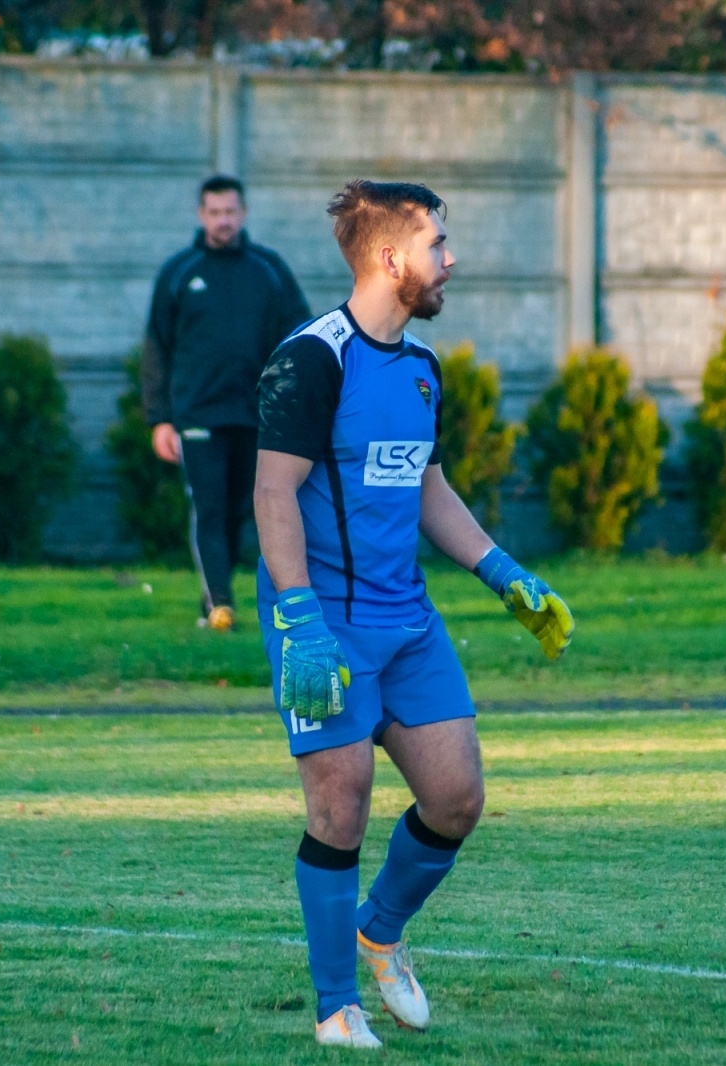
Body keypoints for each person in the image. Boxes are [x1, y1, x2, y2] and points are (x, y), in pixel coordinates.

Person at [252, 180, 574, 1049]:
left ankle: (379, 931)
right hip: (322, 620)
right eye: (438, 242)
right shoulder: (311, 359)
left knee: (457, 798)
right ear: (391, 258)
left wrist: (503, 573)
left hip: (409, 620)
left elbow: (426, 484)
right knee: (341, 806)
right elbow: (272, 492)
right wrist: (297, 618)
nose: (451, 259)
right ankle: (335, 1008)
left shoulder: (423, 370)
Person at [142, 174, 309, 631]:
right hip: (198, 417)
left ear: (244, 213)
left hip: (257, 417)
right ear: (201, 215)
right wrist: (159, 419)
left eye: (230, 212)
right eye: (214, 213)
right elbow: (157, 347)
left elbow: (302, 339)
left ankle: (212, 599)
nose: (223, 221)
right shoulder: (180, 272)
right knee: (209, 508)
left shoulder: (269, 270)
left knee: (242, 510)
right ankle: (220, 605)